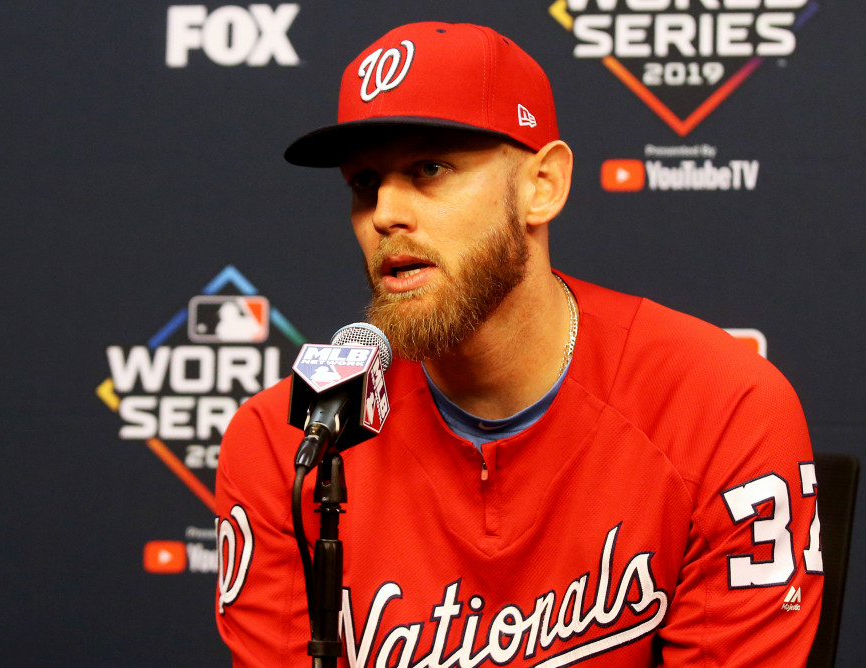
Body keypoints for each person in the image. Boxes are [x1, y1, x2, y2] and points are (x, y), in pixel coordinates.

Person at [213, 21, 823, 667]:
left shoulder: (720, 407)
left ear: (543, 186)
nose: (386, 212)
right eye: (364, 182)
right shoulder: (288, 443)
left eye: (430, 168)